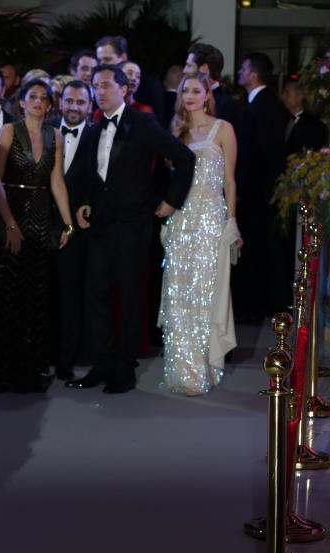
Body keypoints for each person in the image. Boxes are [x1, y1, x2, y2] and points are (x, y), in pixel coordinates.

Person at [66, 64, 195, 394]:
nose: (100, 91)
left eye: (107, 85)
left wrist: (171, 201)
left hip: (133, 225)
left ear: (124, 89)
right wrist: (83, 202)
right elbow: (86, 174)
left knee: (130, 296)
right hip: (100, 227)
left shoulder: (143, 122)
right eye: (96, 85)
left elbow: (184, 157)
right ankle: (102, 363)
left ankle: (124, 368)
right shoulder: (93, 129)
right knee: (97, 296)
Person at [0, 78, 81, 392]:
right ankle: (1, 371)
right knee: (6, 292)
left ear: (50, 105)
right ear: (22, 102)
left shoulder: (55, 136)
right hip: (11, 213)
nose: (38, 102)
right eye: (32, 97)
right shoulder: (9, 131)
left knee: (35, 295)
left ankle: (31, 370)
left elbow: (57, 184)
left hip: (40, 215)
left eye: (44, 98)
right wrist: (9, 223)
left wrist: (67, 224)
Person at [160, 72, 240, 395]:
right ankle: (182, 370)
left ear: (207, 94)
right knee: (177, 293)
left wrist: (231, 223)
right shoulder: (174, 131)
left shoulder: (223, 129)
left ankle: (202, 369)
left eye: (196, 90)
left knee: (203, 292)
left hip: (209, 220)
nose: (190, 95)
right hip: (181, 219)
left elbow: (230, 181)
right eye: (185, 91)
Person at [233, 51, 287, 319]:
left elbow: (259, 154)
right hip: (259, 193)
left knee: (255, 250)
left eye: (243, 68)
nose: (240, 72)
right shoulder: (263, 105)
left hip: (258, 195)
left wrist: (242, 189)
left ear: (253, 74)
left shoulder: (263, 106)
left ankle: (254, 305)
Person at [53, 80, 94, 381]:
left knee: (73, 294)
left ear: (89, 106)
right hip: (44, 225)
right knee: (45, 292)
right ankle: (45, 354)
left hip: (81, 229)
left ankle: (68, 357)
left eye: (80, 102)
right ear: (60, 102)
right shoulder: (46, 131)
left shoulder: (97, 136)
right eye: (69, 101)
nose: (74, 107)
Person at [185, 43, 237, 124]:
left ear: (203, 69)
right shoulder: (185, 98)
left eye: (189, 66)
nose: (184, 70)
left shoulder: (226, 105)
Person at [282, 78, 329, 156]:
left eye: (287, 93)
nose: (282, 96)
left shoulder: (315, 126)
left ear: (300, 97)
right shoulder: (280, 118)